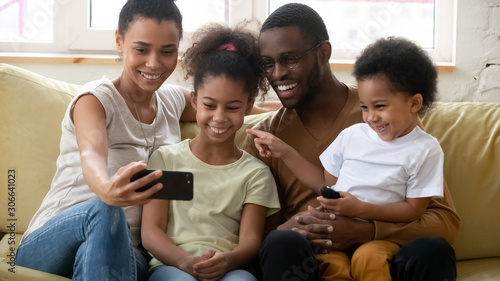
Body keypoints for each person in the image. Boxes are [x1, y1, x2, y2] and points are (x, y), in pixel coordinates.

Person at [244, 3, 460, 281]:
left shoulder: (390, 116)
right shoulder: (266, 140)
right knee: (280, 243)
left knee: (433, 249)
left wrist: (366, 231)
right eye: (268, 63)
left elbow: (445, 223)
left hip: (382, 259)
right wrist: (293, 227)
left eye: (290, 59)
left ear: (324, 53)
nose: (277, 74)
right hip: (312, 261)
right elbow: (256, 240)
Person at [16, 1, 195, 280]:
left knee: (107, 249)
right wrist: (107, 189)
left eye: (167, 52)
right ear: (119, 41)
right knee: (106, 208)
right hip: (51, 242)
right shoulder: (95, 100)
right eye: (141, 49)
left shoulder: (173, 101)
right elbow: (92, 155)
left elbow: (224, 106)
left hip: (123, 251)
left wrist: (281, 112)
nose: (154, 63)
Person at [141, 22, 280, 281]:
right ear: (194, 101)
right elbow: (151, 232)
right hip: (172, 266)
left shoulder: (256, 174)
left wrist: (227, 261)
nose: (219, 117)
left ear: (248, 107)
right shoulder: (166, 159)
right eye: (209, 105)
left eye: (232, 107)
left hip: (231, 270)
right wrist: (184, 261)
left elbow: (250, 242)